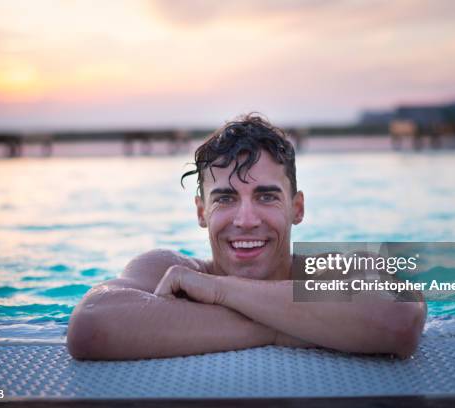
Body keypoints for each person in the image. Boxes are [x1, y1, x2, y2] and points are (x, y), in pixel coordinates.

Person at [67, 114, 427, 360]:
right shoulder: (166, 267)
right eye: (225, 199)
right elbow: (90, 324)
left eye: (266, 197)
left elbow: (401, 317)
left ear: (297, 208)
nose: (246, 219)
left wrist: (220, 292)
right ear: (201, 212)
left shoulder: (335, 270)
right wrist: (289, 328)